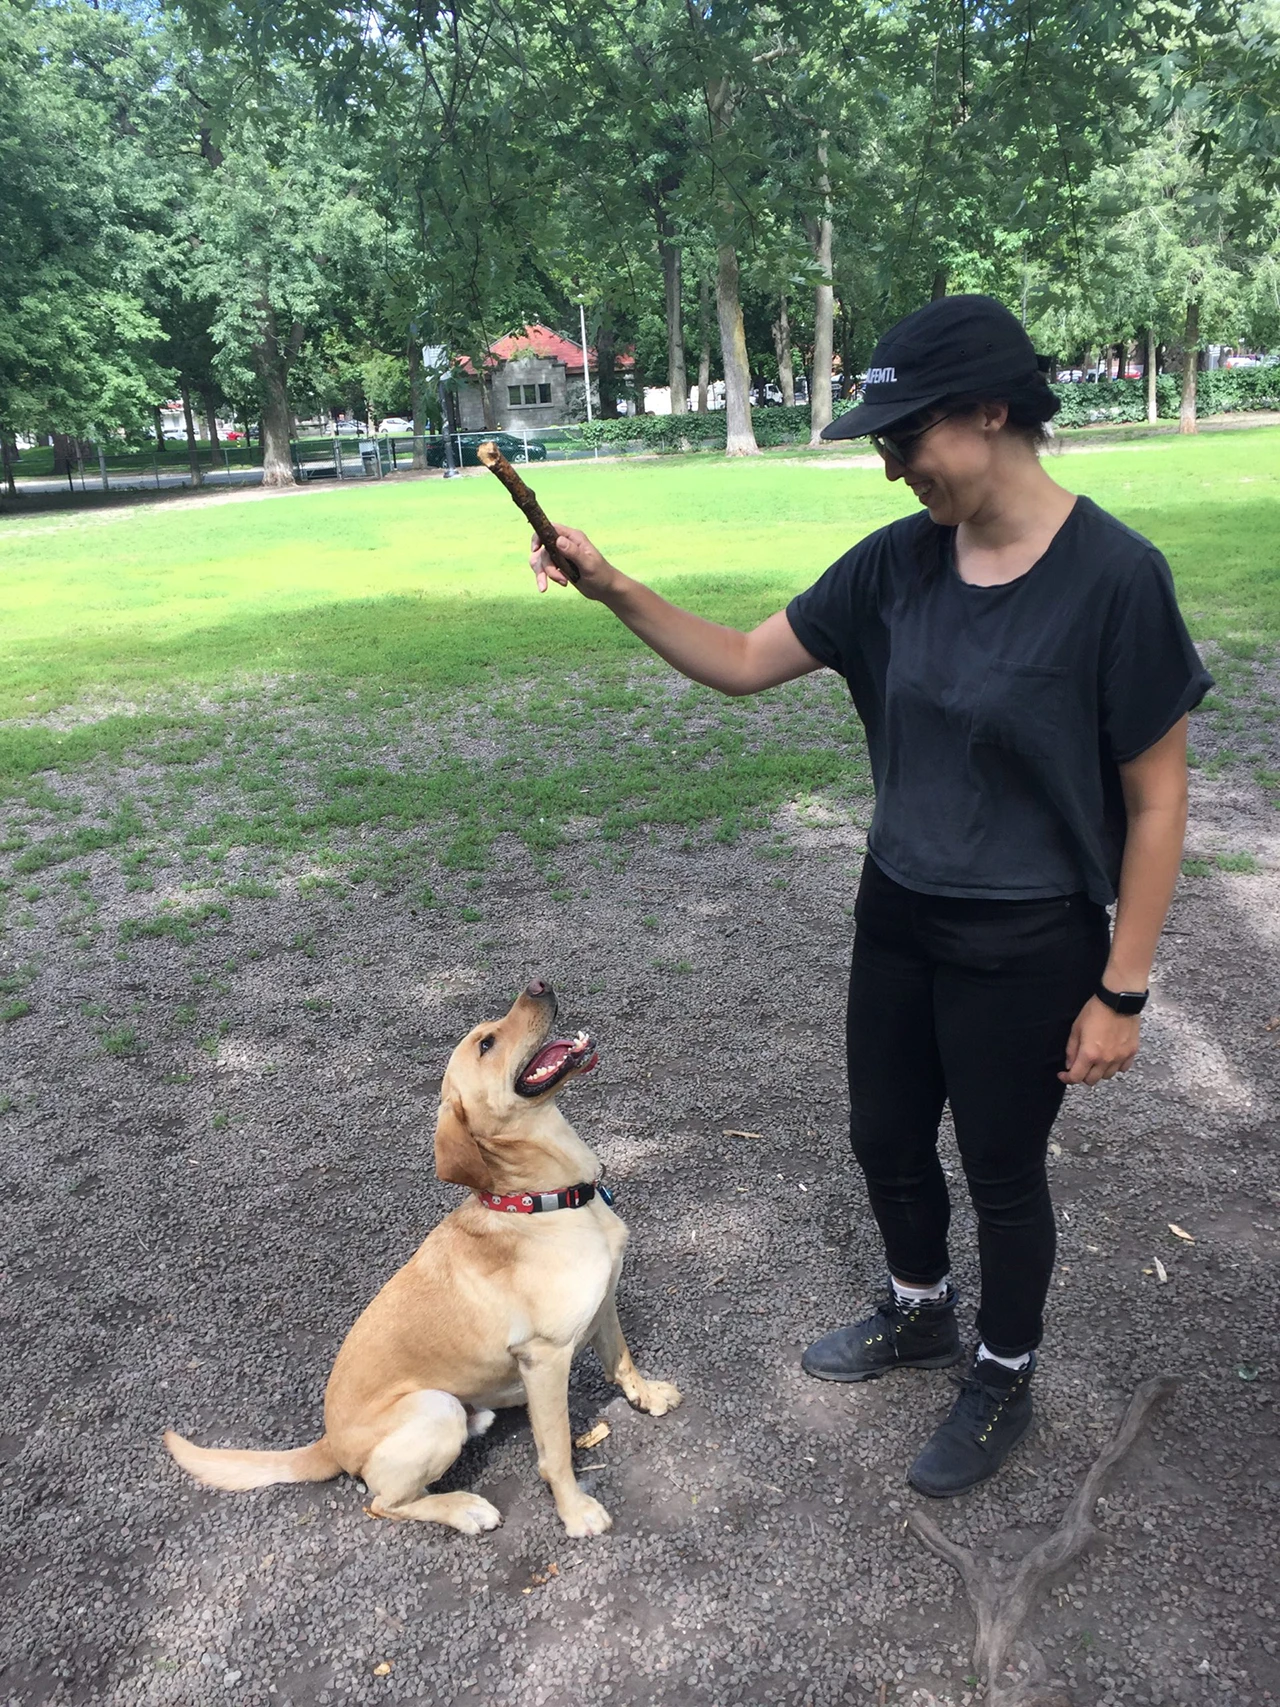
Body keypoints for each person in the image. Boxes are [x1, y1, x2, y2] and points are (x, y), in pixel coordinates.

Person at [528, 294, 1210, 1497]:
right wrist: (610, 585)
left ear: (991, 411)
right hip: (896, 909)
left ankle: (1002, 1369)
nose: (891, 468)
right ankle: (918, 1309)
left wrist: (1122, 989)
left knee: (1000, 1170)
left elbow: (1155, 804)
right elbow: (743, 662)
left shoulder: (1114, 579)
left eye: (905, 439)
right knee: (883, 1136)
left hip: (1027, 938)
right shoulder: (895, 566)